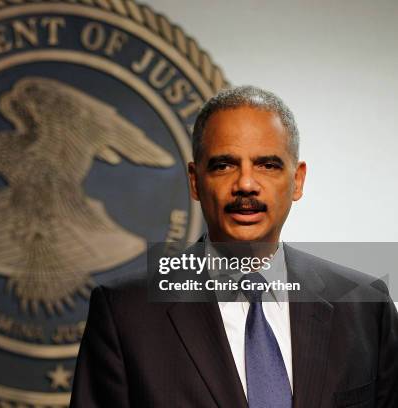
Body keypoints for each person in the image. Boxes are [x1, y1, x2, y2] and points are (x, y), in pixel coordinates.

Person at [69, 86, 398, 407]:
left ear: (297, 181)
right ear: (196, 181)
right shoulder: (125, 313)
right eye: (223, 165)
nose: (245, 184)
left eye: (267, 165)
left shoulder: (365, 306)